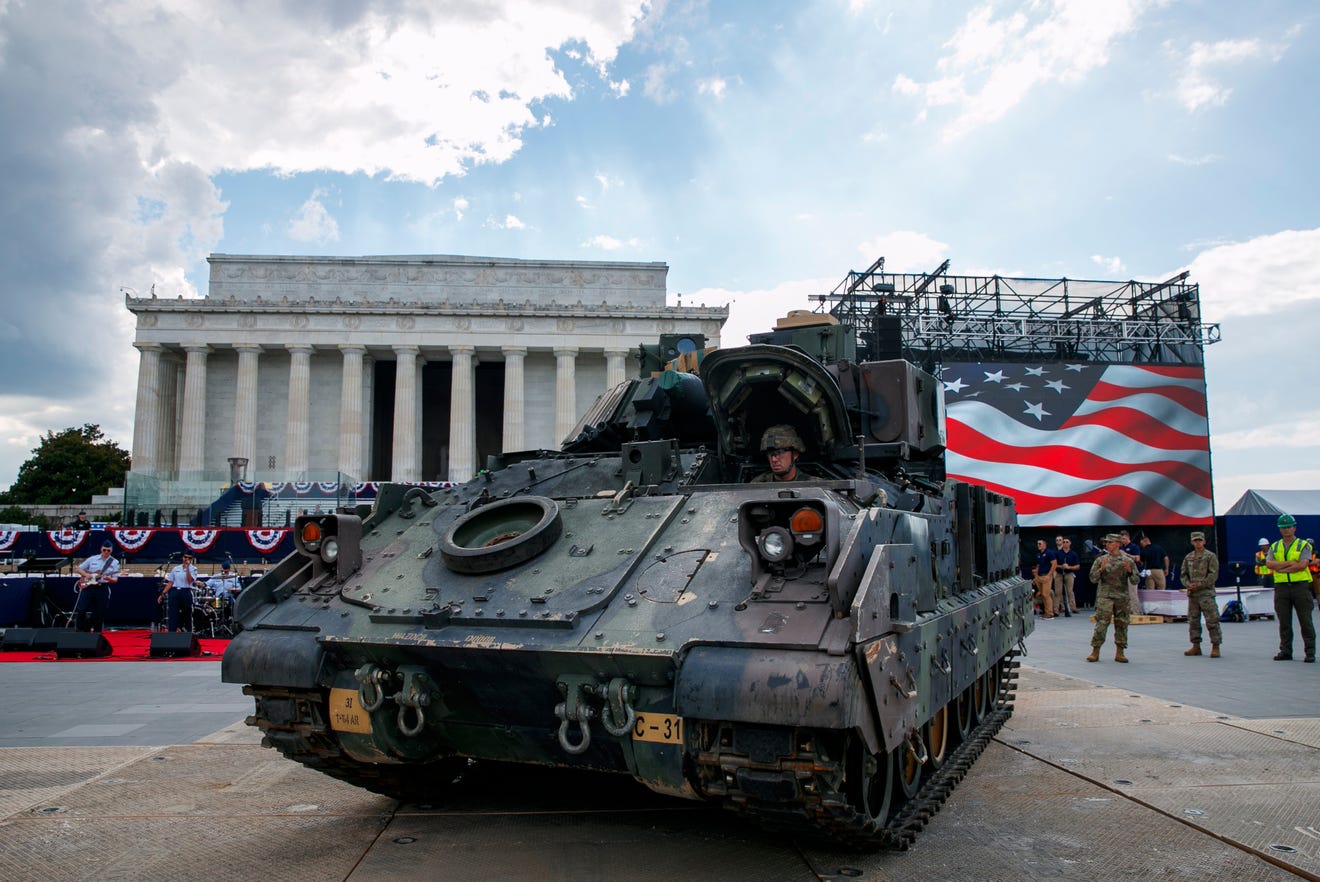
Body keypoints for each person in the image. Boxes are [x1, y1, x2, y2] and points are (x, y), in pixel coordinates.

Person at [1265, 514, 1316, 662]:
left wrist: (1280, 567)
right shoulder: (1275, 546)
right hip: (1281, 588)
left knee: (1305, 621)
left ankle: (1310, 652)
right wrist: (1290, 563)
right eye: (1283, 527)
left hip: (1300, 586)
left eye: (1289, 527)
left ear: (1294, 528)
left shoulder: (1303, 545)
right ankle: (1286, 651)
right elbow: (1269, 564)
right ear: (1279, 529)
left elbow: (1302, 565)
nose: (1286, 530)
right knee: (1284, 622)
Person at [1087, 533, 1133, 662]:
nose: (1107, 545)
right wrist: (1101, 570)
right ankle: (1095, 651)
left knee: (1122, 625)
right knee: (1101, 624)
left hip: (1122, 597)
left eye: (1110, 542)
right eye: (1106, 543)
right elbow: (1093, 579)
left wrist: (1129, 571)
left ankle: (1120, 652)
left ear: (1118, 544)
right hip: (1105, 597)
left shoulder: (1127, 561)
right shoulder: (1101, 560)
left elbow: (1135, 580)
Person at [1179, 531, 1221, 657]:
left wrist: (1200, 584)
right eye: (1195, 540)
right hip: (1193, 595)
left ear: (1204, 541)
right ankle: (1196, 645)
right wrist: (1187, 584)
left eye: (1200, 540)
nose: (1198, 543)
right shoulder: (1188, 557)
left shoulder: (1210, 556)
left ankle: (1215, 645)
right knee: (1193, 621)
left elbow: (1213, 574)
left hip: (1206, 593)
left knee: (1212, 620)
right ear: (1192, 542)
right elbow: (1183, 574)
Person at [74, 541, 120, 632]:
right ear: (101, 549)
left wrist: (108, 579)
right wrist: (87, 575)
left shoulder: (114, 562)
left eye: (108, 551)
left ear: (111, 551)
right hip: (89, 587)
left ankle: (96, 632)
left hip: (102, 587)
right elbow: (78, 568)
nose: (106, 552)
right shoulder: (92, 559)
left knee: (100, 611)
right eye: (104, 550)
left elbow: (115, 579)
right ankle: (79, 630)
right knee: (82, 608)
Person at [158, 552, 199, 633]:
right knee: (173, 614)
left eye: (189, 558)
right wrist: (163, 593)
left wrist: (187, 568)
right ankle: (172, 633)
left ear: (192, 559)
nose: (186, 559)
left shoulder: (193, 569)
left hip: (186, 591)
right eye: (185, 557)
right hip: (175, 591)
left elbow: (189, 580)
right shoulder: (176, 568)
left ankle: (188, 633)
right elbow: (170, 582)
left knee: (187, 613)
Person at [1053, 536, 1079, 617]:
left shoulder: (1073, 554)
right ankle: (1056, 609)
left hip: (1069, 573)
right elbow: (1054, 564)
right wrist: (1061, 566)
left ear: (1070, 543)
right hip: (1059, 574)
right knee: (1058, 592)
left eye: (1067, 542)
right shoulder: (1057, 553)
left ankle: (1072, 607)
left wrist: (1069, 567)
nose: (1065, 543)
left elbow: (1077, 566)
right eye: (1063, 542)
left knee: (1070, 591)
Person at [1032, 538, 1057, 618]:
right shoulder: (1038, 554)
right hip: (1039, 576)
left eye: (1040, 544)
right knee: (1042, 595)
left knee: (1046, 594)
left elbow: (1054, 564)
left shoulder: (1050, 553)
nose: (1038, 545)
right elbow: (1038, 565)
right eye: (1037, 544)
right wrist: (1036, 577)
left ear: (1045, 545)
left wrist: (1049, 575)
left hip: (1046, 576)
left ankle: (1050, 613)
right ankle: (1046, 612)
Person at [1120, 530, 1142, 614]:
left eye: (1124, 538)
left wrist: (1126, 554)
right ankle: (1127, 611)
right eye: (1121, 539)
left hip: (1132, 571)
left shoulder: (1134, 547)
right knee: (1123, 592)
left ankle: (1136, 611)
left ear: (1128, 537)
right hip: (1123, 571)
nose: (1122, 540)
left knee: (1132, 592)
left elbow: (1137, 558)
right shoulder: (1121, 547)